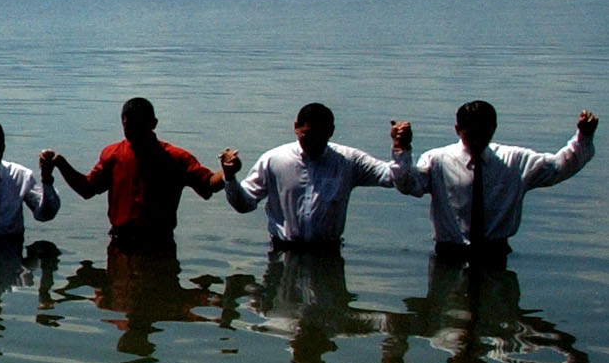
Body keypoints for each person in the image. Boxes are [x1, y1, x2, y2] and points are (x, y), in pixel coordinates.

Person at [389, 103, 596, 261]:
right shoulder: (438, 160)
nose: (478, 141)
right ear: (457, 129)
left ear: (494, 128)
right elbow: (408, 185)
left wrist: (583, 138)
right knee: (448, 314)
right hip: (449, 254)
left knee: (498, 311)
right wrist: (401, 148)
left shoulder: (514, 161)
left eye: (484, 134)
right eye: (471, 135)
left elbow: (558, 168)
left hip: (495, 253)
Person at [52, 97, 223, 248]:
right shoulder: (113, 155)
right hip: (120, 243)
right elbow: (87, 189)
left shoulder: (176, 158)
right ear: (123, 123)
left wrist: (227, 172)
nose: (132, 131)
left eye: (139, 125)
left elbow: (208, 184)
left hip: (159, 244)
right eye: (128, 126)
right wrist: (60, 163)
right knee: (118, 284)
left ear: (153, 124)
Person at [218, 102, 395, 248]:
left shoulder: (348, 161)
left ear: (331, 131)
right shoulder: (274, 160)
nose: (315, 142)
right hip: (284, 251)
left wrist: (400, 147)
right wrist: (230, 177)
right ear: (296, 128)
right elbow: (244, 205)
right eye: (308, 135)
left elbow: (391, 177)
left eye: (321, 135)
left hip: (328, 252)